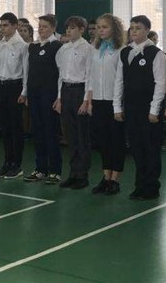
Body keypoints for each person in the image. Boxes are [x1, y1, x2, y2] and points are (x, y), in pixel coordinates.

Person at [114, 15, 166, 201]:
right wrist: (117, 106)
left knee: (150, 147)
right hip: (131, 107)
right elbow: (119, 81)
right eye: (132, 28)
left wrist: (154, 110)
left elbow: (160, 83)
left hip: (149, 109)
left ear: (147, 30)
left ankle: (151, 186)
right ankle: (140, 185)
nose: (134, 31)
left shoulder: (156, 54)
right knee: (136, 147)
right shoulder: (125, 52)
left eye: (138, 28)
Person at [86, 14, 128, 196]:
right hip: (98, 100)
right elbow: (90, 76)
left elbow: (120, 79)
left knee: (116, 140)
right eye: (98, 27)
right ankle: (105, 176)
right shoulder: (94, 50)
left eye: (105, 27)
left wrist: (118, 105)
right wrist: (89, 100)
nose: (100, 30)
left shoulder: (121, 50)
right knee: (102, 141)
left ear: (114, 29)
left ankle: (115, 179)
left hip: (114, 101)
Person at [0, 12, 30, 179]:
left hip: (15, 87)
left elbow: (26, 71)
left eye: (6, 25)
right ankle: (7, 162)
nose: (2, 28)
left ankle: (16, 164)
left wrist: (24, 92)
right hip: (1, 87)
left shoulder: (22, 46)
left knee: (16, 127)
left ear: (15, 26)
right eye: (1, 25)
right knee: (5, 127)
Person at [54, 16, 93, 189]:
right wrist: (59, 98)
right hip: (66, 91)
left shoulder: (88, 49)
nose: (69, 31)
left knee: (82, 136)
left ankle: (82, 175)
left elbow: (89, 75)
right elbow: (60, 76)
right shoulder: (64, 49)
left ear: (81, 30)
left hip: (80, 91)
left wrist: (86, 100)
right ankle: (72, 173)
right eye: (67, 28)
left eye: (72, 28)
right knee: (70, 136)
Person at [24, 14, 63, 183]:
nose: (41, 29)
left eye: (45, 26)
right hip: (34, 94)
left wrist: (59, 97)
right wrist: (26, 93)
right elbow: (28, 72)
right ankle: (40, 168)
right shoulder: (32, 47)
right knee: (38, 131)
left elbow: (61, 73)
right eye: (39, 26)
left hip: (50, 95)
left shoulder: (57, 47)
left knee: (50, 132)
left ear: (53, 28)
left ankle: (55, 170)